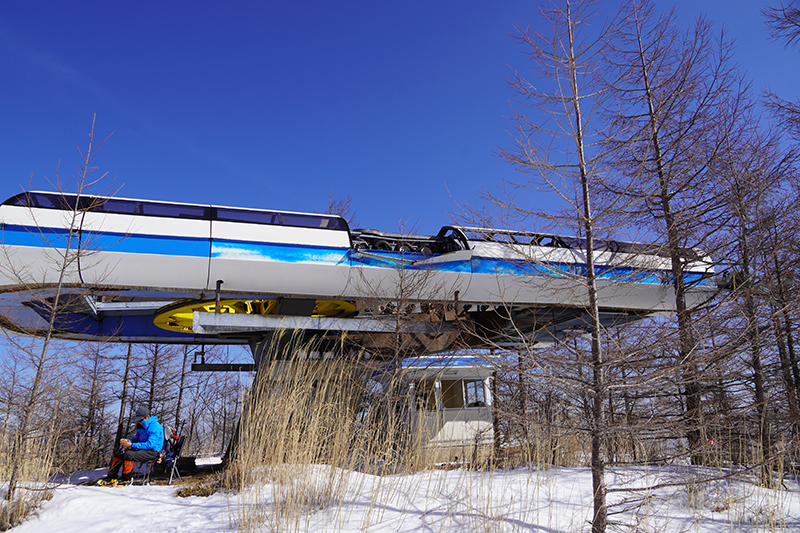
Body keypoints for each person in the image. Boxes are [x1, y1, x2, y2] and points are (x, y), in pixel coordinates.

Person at [98, 406, 165, 486]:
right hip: (143, 449)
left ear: (147, 417)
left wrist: (131, 445)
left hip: (152, 451)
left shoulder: (155, 427)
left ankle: (127, 478)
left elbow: (150, 444)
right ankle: (111, 476)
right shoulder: (141, 427)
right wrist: (127, 441)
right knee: (119, 453)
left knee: (128, 454)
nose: (139, 422)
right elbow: (136, 439)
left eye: (140, 420)